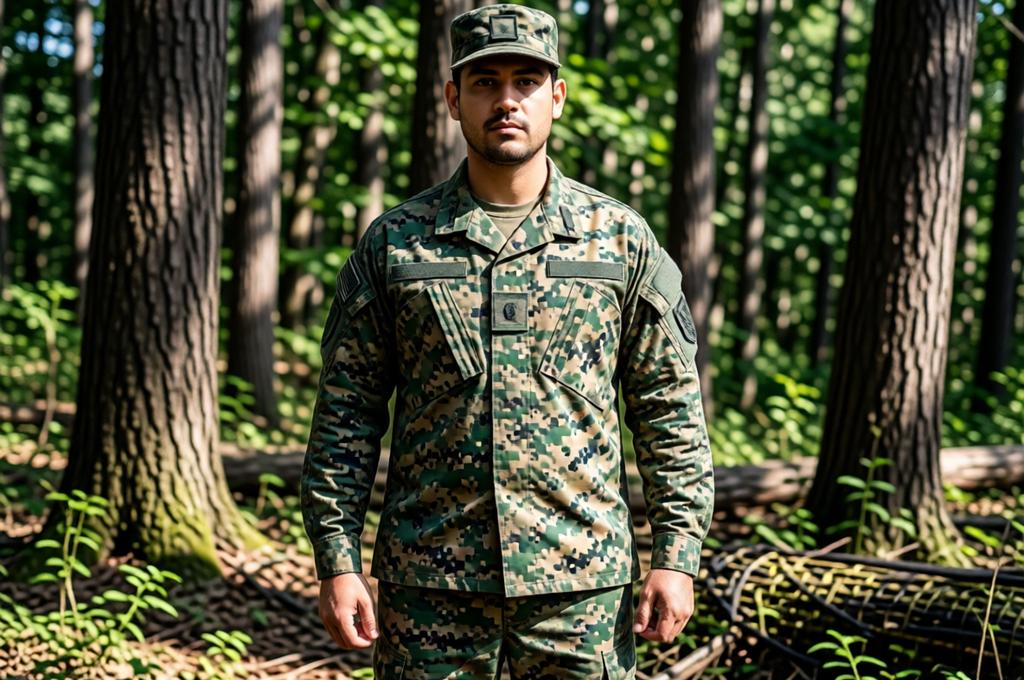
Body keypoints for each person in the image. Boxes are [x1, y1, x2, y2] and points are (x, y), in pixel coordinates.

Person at [300, 4, 714, 678]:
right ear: (452, 99)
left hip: (580, 596)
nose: (506, 100)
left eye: (526, 81)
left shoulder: (618, 239)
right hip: (431, 594)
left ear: (556, 96)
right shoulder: (397, 243)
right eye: (485, 82)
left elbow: (668, 409)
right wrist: (337, 561)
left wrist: (677, 555)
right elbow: (346, 417)